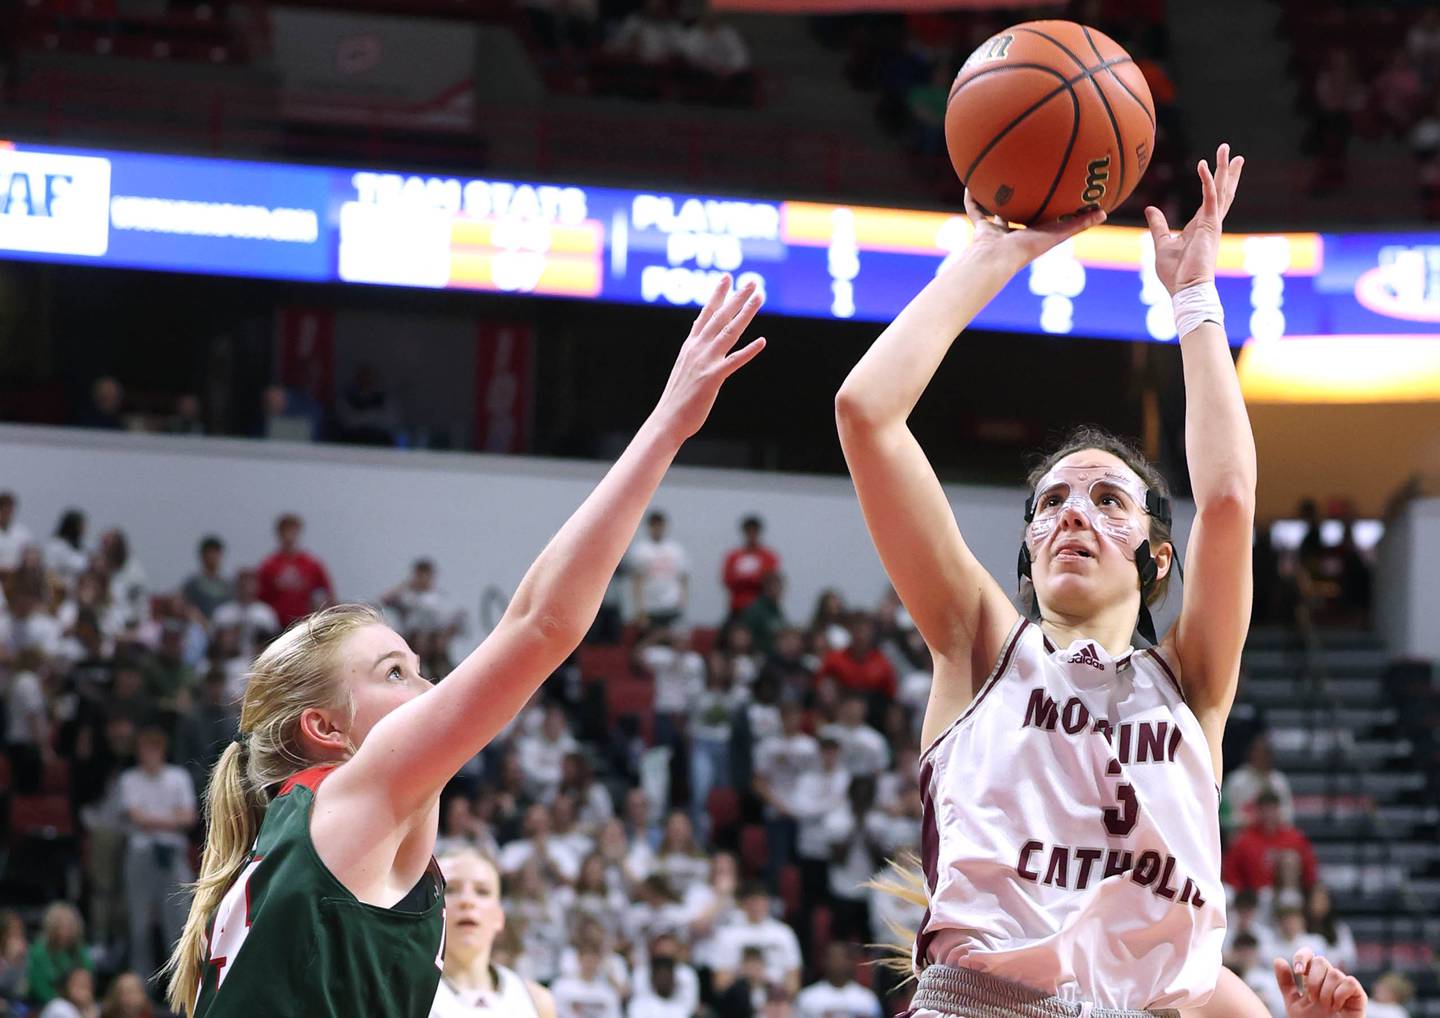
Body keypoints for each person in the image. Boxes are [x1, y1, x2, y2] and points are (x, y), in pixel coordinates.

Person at [836, 143, 1361, 1018]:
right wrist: (996, 253)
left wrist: (1196, 302)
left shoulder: (1192, 686)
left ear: (1158, 556)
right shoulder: (979, 646)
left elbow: (1228, 499)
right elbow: (866, 415)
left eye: (1108, 497)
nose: (1073, 513)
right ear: (1031, 553)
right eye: (1051, 502)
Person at [164, 275, 766, 1017]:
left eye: (419, 669)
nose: (427, 688)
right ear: (325, 728)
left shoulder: (325, 836)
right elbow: (540, 624)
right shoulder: (346, 793)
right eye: (394, 672)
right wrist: (667, 426)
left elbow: (530, 615)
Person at [428, 849, 556, 1018]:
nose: (467, 901)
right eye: (451, 889)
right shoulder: (405, 994)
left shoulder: (537, 1001)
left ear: (499, 916)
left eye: (482, 891)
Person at [121, 727, 198, 987]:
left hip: (172, 854)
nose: (148, 755)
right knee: (139, 924)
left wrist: (151, 820)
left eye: (153, 749)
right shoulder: (130, 779)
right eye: (143, 749)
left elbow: (188, 819)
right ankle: (138, 992)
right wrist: (171, 819)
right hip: (141, 854)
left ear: (161, 751)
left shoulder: (178, 777)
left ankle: (180, 990)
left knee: (177, 924)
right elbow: (135, 817)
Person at [710, 883, 802, 998]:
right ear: (742, 904)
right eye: (752, 902)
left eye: (761, 902)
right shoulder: (727, 935)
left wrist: (767, 978)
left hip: (775, 996)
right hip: (740, 997)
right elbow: (719, 985)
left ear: (768, 903)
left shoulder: (783, 934)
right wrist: (744, 973)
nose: (757, 907)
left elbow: (794, 983)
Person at [1224, 789, 1319, 894]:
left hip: (1289, 897)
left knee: (1290, 858)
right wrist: (1244, 898)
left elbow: (1310, 871)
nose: (1268, 815)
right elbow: (1231, 873)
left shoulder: (1295, 838)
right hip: (1255, 899)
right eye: (1264, 811)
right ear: (1257, 812)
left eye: (1272, 810)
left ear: (1279, 810)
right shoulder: (1243, 841)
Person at [255, 514, 335, 630]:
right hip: (277, 625)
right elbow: (261, 598)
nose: (289, 536)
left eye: (292, 531)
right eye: (285, 531)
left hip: (305, 623)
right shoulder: (269, 565)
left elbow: (326, 593)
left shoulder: (311, 564)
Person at [629, 511, 690, 629]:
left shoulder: (676, 550)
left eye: (659, 525)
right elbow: (637, 581)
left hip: (672, 604)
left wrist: (683, 602)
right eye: (654, 525)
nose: (657, 529)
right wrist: (639, 609)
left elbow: (683, 579)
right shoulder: (641, 550)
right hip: (650, 606)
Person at [25, 904, 93, 1008]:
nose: (63, 932)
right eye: (59, 927)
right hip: (45, 1005)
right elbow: (39, 987)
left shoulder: (80, 952)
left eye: (68, 927)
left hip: (78, 1003)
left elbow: (88, 978)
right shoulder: (39, 952)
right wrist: (64, 1003)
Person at [1223, 734, 1294, 833]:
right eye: (1258, 752)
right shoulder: (1236, 781)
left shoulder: (1279, 781)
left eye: (1266, 753)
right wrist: (1251, 820)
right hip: (1243, 837)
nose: (1262, 757)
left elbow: (1288, 815)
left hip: (1273, 836)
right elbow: (1225, 817)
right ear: (1251, 754)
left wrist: (1270, 818)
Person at [795, 943, 881, 1018]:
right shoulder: (807, 997)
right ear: (824, 961)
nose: (837, 962)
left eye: (841, 958)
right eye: (833, 958)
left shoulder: (866, 998)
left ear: (850, 962)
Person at [722, 516, 779, 619]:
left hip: (762, 608)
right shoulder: (733, 556)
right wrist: (754, 579)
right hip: (738, 607)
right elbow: (728, 580)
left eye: (754, 531)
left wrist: (744, 579)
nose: (751, 535)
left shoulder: (768, 556)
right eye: (749, 531)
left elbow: (770, 581)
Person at [182, 536, 234, 621]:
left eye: (215, 553)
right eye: (209, 553)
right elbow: (186, 606)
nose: (212, 557)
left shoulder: (229, 585)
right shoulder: (193, 584)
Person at [45, 509, 89, 585]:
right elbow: (51, 569)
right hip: (60, 589)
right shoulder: (56, 545)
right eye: (81, 525)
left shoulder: (81, 548)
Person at [0, 491, 35, 573]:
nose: (7, 515)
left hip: (18, 577)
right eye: (4, 511)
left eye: (9, 511)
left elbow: (31, 553)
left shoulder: (23, 532)